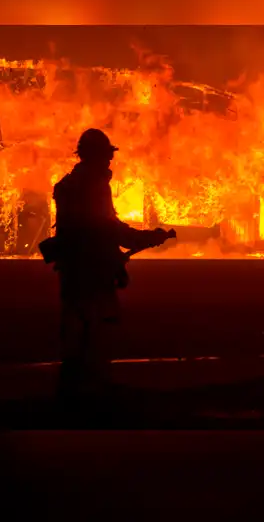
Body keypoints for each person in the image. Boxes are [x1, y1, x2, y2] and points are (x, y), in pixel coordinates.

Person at [47, 128, 175, 402]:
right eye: (106, 155)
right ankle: (92, 400)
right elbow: (105, 227)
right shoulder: (92, 185)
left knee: (76, 332)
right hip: (90, 271)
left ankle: (71, 395)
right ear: (95, 155)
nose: (109, 162)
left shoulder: (68, 184)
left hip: (72, 269)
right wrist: (144, 237)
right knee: (94, 333)